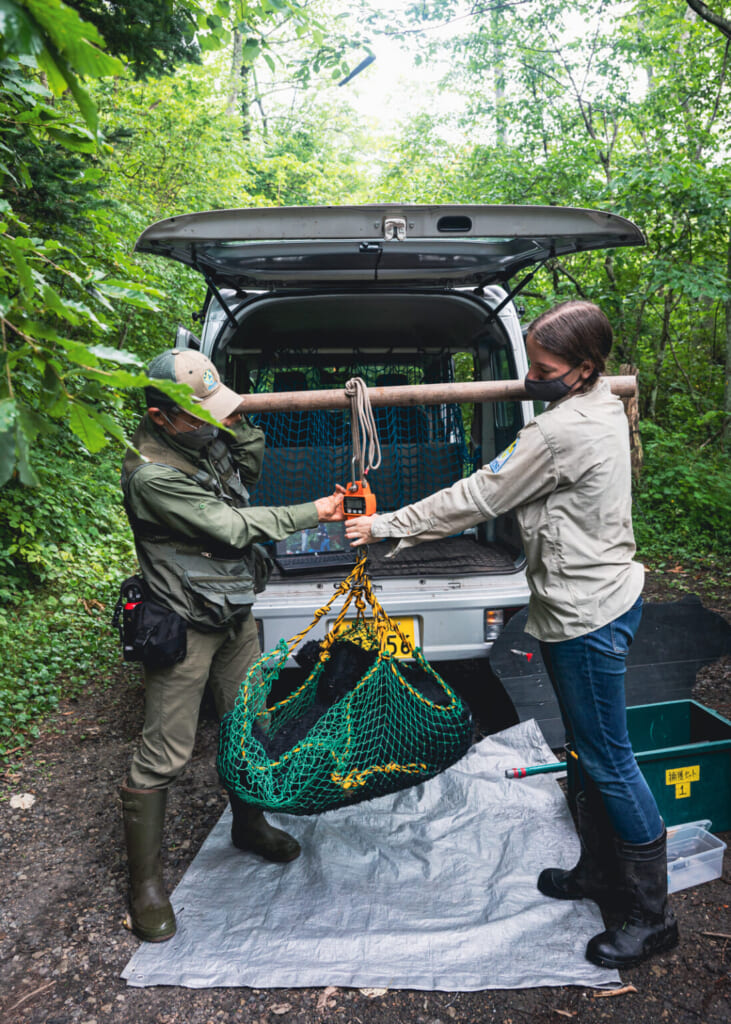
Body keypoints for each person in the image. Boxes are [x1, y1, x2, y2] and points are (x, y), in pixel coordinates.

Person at [344, 300, 678, 970]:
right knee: (587, 750)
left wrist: (383, 527)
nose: (530, 377)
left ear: (583, 368)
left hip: (587, 614)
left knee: (608, 759)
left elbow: (477, 497)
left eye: (543, 368)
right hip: (591, 599)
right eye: (527, 363)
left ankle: (650, 915)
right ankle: (595, 871)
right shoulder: (603, 401)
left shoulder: (560, 433)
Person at [119, 348, 343, 943]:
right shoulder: (152, 473)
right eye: (200, 417)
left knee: (249, 722)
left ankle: (249, 825)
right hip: (185, 623)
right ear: (161, 416)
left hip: (234, 613)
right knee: (164, 752)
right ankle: (145, 887)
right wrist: (315, 511)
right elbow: (232, 527)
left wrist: (232, 417)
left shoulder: (202, 437)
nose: (211, 425)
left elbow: (248, 462)